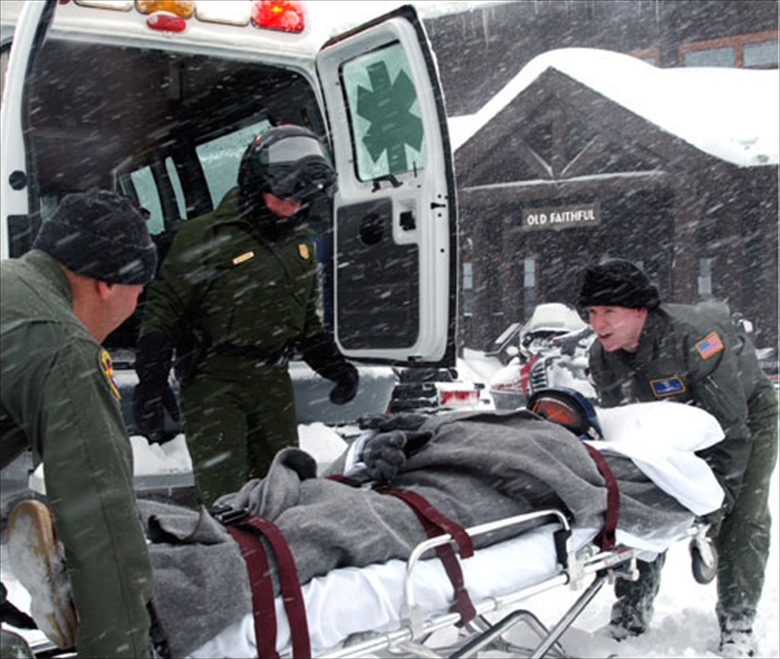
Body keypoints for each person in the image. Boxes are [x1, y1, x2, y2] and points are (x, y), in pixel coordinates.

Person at [133, 125, 359, 507]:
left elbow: (304, 321)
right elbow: (163, 308)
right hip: (214, 379)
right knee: (226, 497)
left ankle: (283, 561)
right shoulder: (206, 235)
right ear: (256, 186)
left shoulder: (299, 242)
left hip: (272, 380)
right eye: (284, 197)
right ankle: (230, 563)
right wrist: (150, 381)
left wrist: (336, 368)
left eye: (301, 200)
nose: (292, 207)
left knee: (285, 487)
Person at [578, 259, 778, 658]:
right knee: (638, 507)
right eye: (592, 313)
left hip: (744, 418)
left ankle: (738, 622)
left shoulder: (695, 339)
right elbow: (629, 435)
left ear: (640, 310)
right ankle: (630, 612)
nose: (598, 323)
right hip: (667, 428)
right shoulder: (602, 357)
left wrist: (714, 506)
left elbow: (731, 431)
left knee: (741, 517)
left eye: (608, 312)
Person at [0, 190, 158, 658]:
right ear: (109, 284)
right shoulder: (61, 347)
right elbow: (101, 520)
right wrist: (122, 647)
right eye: (140, 288)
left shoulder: (12, 289)